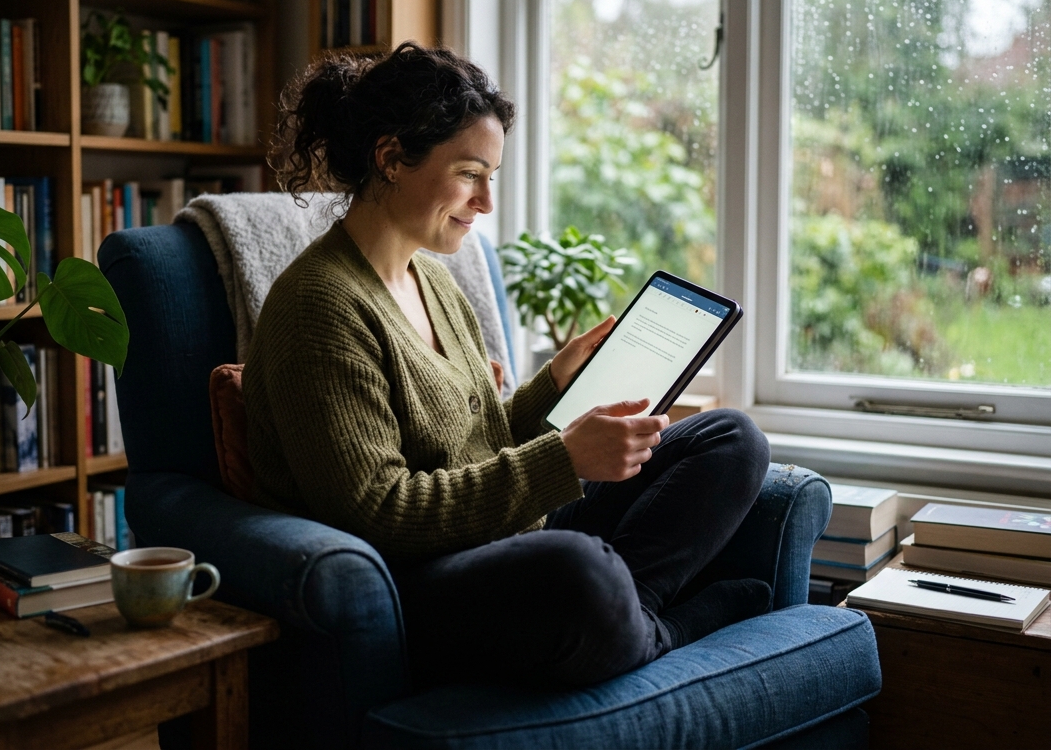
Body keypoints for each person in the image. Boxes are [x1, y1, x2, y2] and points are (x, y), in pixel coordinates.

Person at [243, 42, 772, 688]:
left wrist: (551, 388)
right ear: (390, 158)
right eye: (470, 173)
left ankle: (629, 617)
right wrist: (564, 460)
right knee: (578, 568)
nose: (486, 202)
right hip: (423, 578)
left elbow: (481, 438)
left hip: (499, 533)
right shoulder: (318, 306)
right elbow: (377, 511)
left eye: (491, 176)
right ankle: (662, 629)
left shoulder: (432, 279)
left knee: (731, 439)